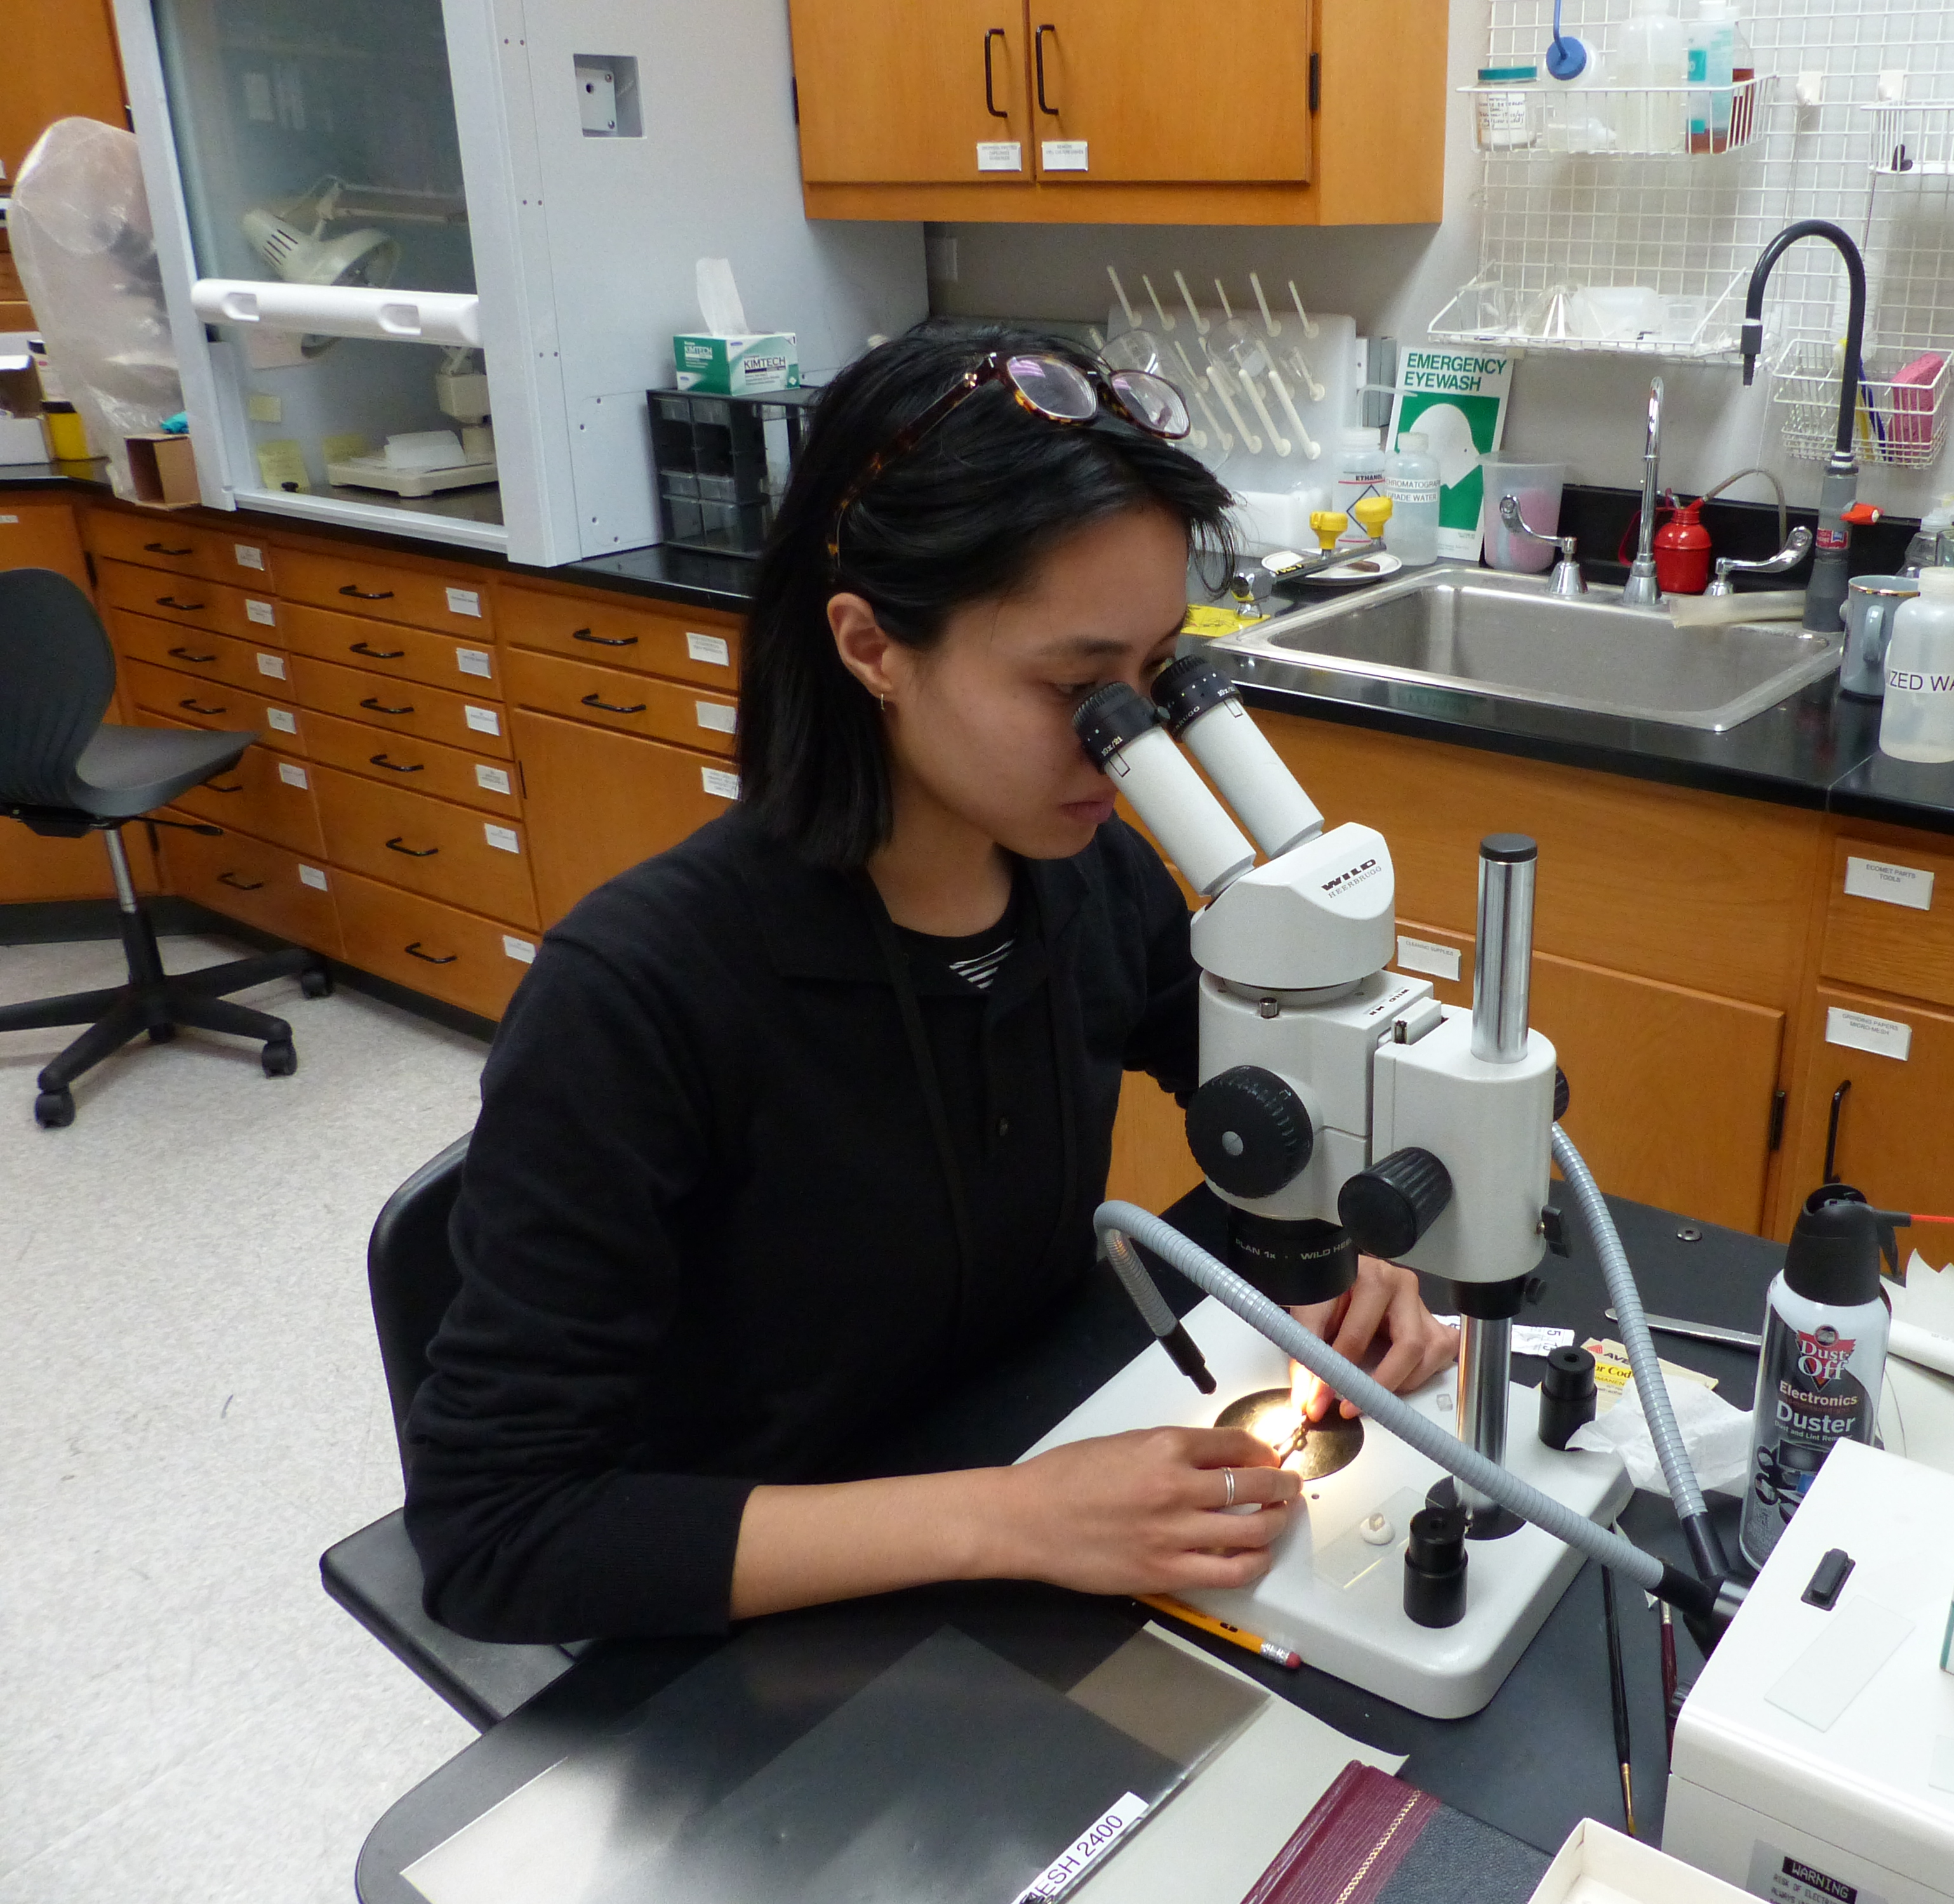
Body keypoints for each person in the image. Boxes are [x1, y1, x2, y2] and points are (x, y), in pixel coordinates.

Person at [404, 327, 1461, 1642]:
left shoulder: (1090, 882)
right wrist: (1008, 1517)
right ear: (869, 645)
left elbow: (1264, 1113)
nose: (1127, 750)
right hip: (768, 1633)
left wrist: (1353, 1257)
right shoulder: (638, 999)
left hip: (1032, 1484)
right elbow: (493, 1537)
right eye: (1077, 689)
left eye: (1151, 678)